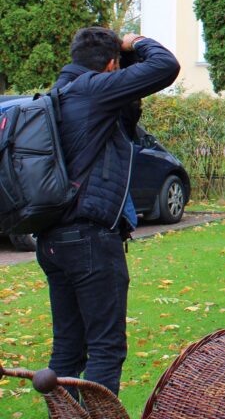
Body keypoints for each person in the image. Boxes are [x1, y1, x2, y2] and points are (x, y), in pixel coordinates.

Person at [35, 27, 180, 398]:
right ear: (112, 65)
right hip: (90, 239)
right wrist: (137, 42)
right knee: (105, 347)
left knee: (67, 348)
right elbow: (166, 66)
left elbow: (123, 128)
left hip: (52, 239)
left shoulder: (59, 94)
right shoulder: (93, 90)